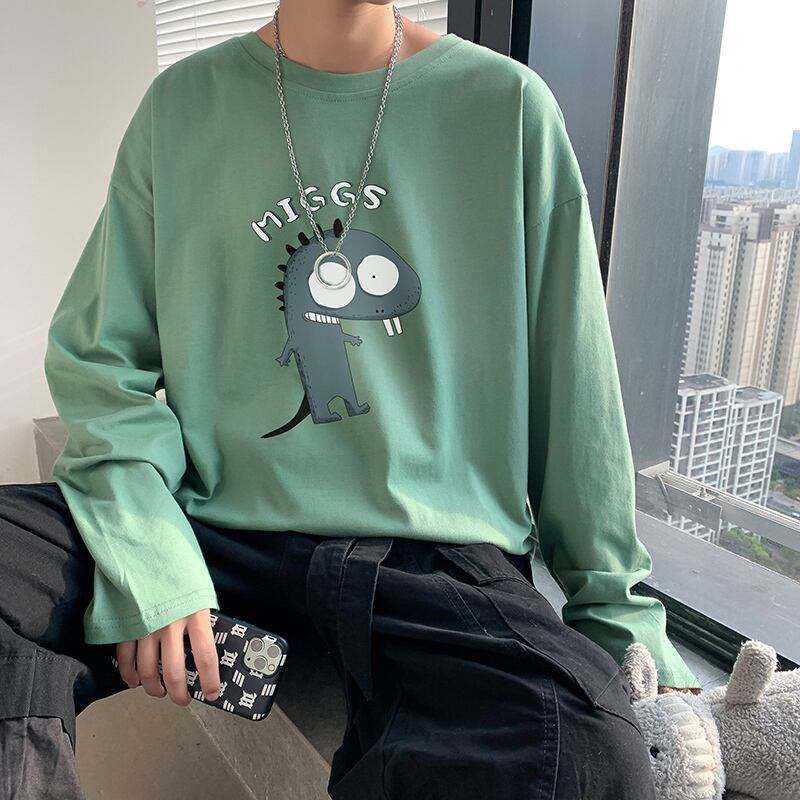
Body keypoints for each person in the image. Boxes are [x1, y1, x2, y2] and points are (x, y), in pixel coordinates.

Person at [1, 1, 702, 797]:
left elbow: (574, 386)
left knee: (585, 754)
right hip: (217, 536)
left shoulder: (508, 107)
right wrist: (153, 560)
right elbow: (100, 362)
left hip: (432, 565)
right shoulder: (181, 108)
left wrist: (616, 612)